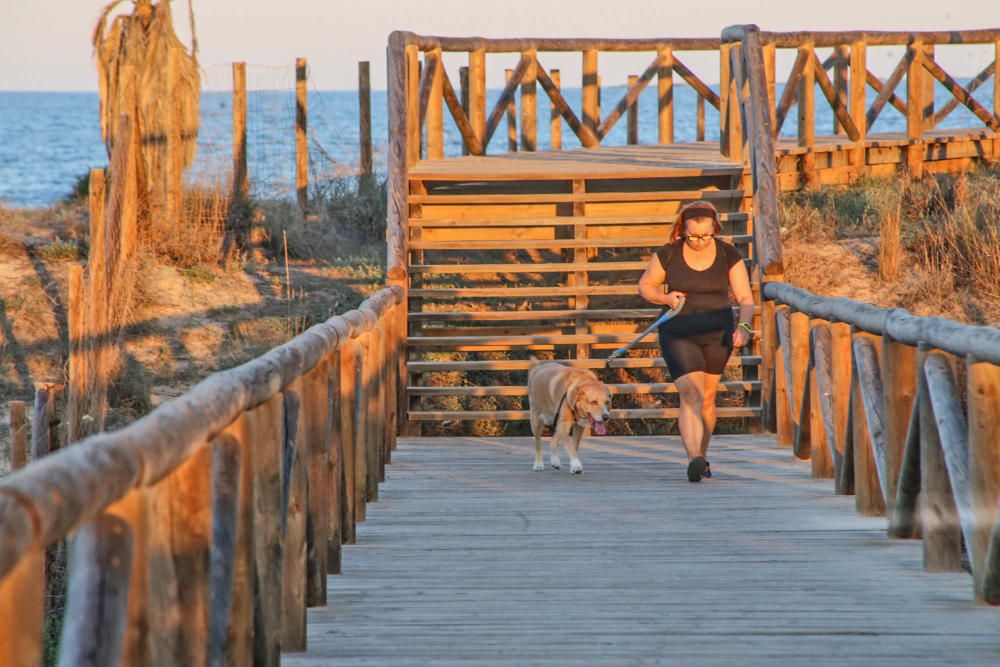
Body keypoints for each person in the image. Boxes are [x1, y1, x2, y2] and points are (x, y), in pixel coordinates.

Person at [637, 200, 755, 482]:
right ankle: (693, 458)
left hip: (718, 334)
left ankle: (702, 454)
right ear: (682, 230)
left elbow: (746, 299)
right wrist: (665, 298)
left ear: (715, 229)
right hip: (678, 332)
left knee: (708, 399)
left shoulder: (728, 254)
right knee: (691, 394)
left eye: (705, 235)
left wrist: (745, 327)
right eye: (693, 236)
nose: (699, 241)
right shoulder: (668, 254)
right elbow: (645, 285)